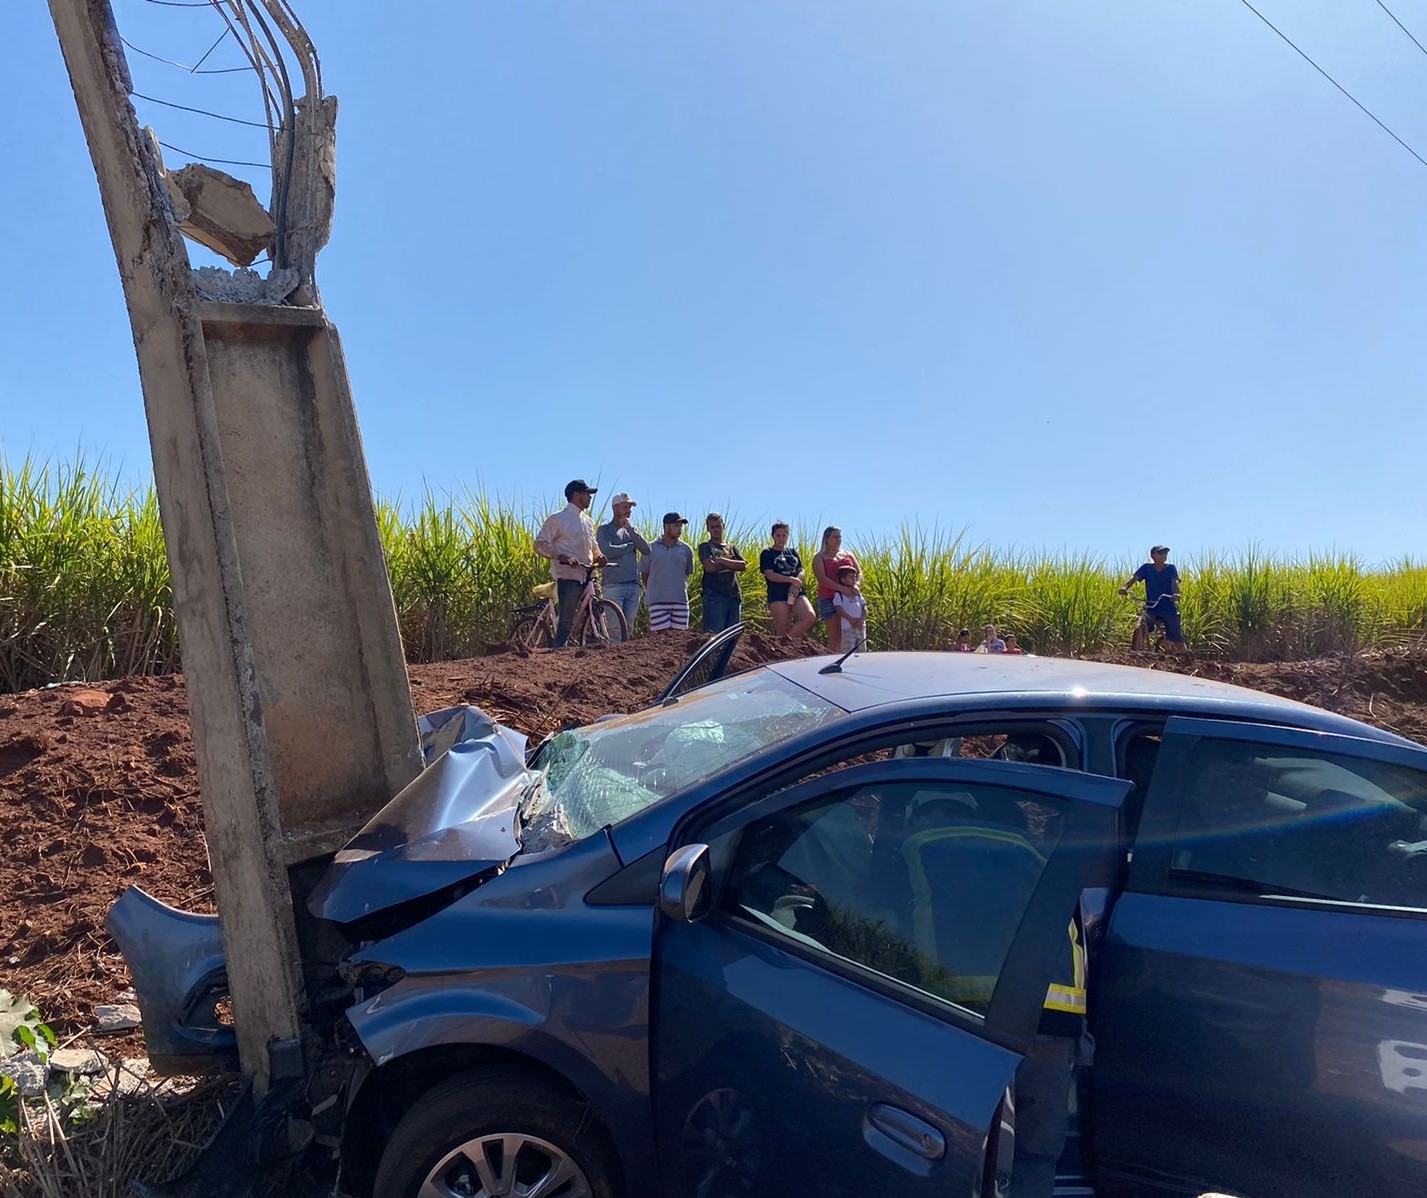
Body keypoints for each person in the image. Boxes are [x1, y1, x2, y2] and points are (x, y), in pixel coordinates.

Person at [534, 479, 604, 648]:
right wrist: (560, 556)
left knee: (598, 611)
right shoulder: (558, 519)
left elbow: (593, 545)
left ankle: (596, 645)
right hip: (568, 575)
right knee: (566, 621)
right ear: (576, 495)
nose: (590, 498)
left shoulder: (588, 521)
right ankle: (559, 652)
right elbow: (540, 544)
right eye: (587, 494)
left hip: (588, 575)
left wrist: (600, 556)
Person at [596, 492, 649, 642]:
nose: (628, 510)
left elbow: (647, 550)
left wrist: (631, 531)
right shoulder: (605, 530)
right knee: (616, 629)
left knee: (629, 628)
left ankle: (624, 661)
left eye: (630, 507)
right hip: (613, 586)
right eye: (625, 507)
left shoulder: (632, 530)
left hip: (633, 586)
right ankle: (613, 662)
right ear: (615, 508)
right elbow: (607, 551)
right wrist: (630, 546)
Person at [1118, 544, 1185, 651]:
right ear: (1153, 556)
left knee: (1176, 636)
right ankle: (1138, 652)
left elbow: (1175, 582)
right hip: (1152, 607)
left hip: (1167, 607)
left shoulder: (1171, 569)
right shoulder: (1147, 568)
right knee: (1143, 624)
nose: (1163, 555)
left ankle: (1185, 656)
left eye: (1165, 553)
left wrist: (1176, 593)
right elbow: (1134, 579)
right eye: (1160, 553)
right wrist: (1125, 588)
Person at [760, 522, 817, 640]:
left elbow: (801, 571)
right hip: (777, 593)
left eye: (784, 535)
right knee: (782, 629)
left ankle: (787, 641)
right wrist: (790, 579)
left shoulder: (792, 552)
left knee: (809, 617)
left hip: (795, 591)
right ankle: (782, 644)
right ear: (773, 536)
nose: (781, 538)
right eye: (778, 535)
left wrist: (795, 584)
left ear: (788, 535)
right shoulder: (767, 553)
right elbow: (770, 575)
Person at [641, 512, 695, 632]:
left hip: (680, 601)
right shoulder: (651, 548)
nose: (680, 529)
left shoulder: (686, 550)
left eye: (681, 526)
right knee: (662, 641)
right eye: (676, 525)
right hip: (657, 602)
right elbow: (645, 574)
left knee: (678, 642)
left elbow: (687, 573)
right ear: (666, 526)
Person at [812, 526, 860, 652]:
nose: (838, 539)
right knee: (836, 637)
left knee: (853, 634)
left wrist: (856, 585)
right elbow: (822, 578)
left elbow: (859, 572)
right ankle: (833, 663)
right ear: (826, 539)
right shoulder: (819, 557)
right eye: (835, 536)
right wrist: (841, 589)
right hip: (829, 598)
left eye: (839, 536)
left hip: (850, 599)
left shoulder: (848, 555)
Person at [698, 513, 746, 633]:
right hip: (714, 594)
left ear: (723, 526)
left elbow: (743, 565)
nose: (716, 530)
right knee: (713, 634)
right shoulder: (705, 547)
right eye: (713, 527)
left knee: (732, 635)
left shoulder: (731, 547)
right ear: (708, 528)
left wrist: (722, 560)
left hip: (733, 593)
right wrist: (732, 564)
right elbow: (709, 567)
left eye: (718, 526)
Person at [831, 564, 868, 651]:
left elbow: (864, 607)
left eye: (855, 577)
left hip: (860, 626)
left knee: (862, 650)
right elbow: (838, 609)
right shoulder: (839, 594)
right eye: (851, 577)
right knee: (848, 650)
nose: (854, 579)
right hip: (848, 627)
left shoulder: (858, 594)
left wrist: (862, 619)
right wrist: (850, 619)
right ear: (843, 580)